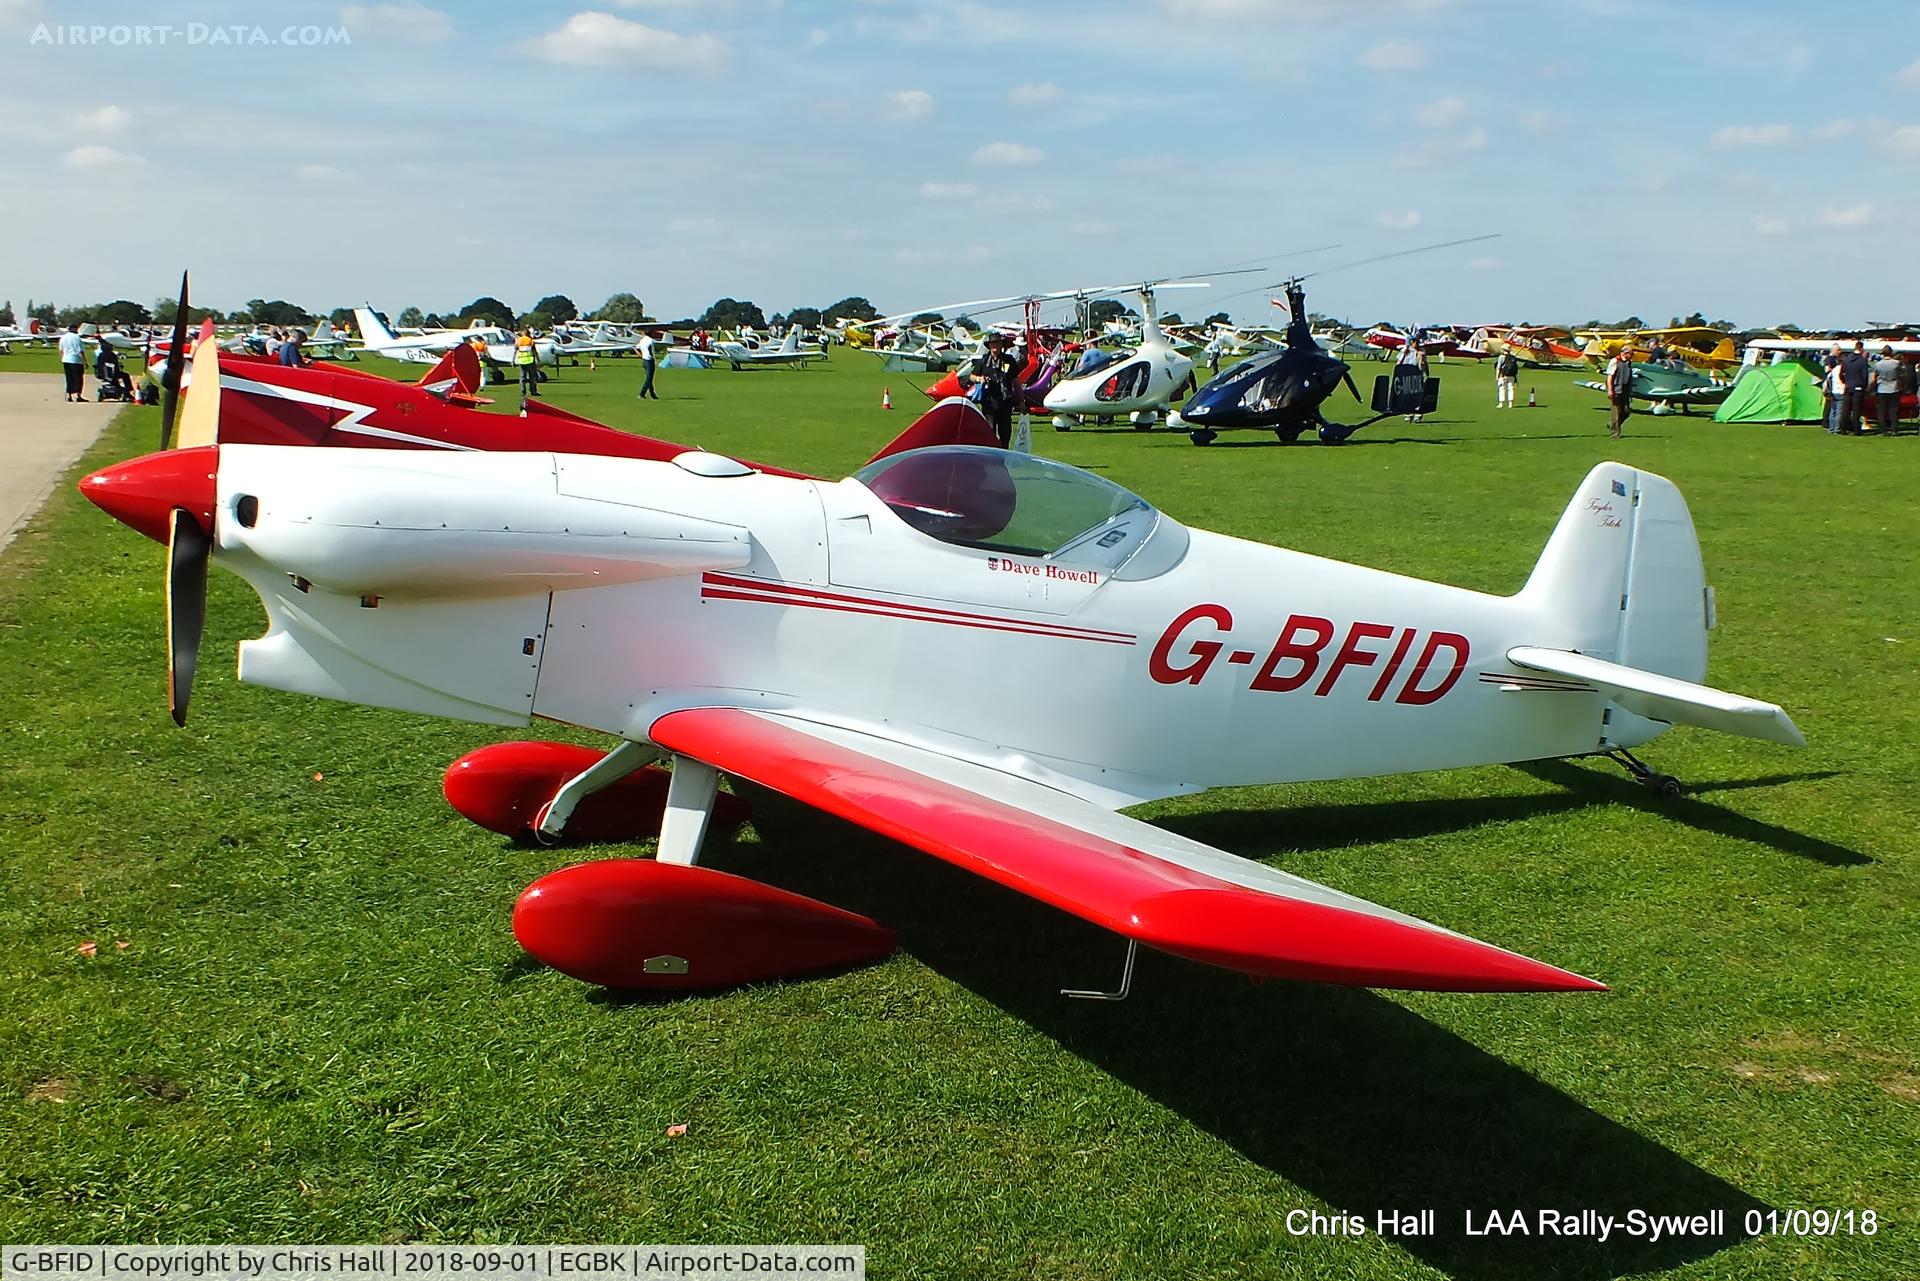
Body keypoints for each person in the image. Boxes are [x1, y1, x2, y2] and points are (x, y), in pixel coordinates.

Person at [964, 331, 1020, 448]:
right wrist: (980, 379)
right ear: (989, 346)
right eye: (993, 344)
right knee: (990, 433)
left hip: (1005, 403)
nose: (995, 346)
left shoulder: (1009, 360)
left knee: (1005, 435)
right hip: (989, 403)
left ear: (1001, 345)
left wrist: (1021, 400)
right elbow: (971, 376)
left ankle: (1003, 457)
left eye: (997, 343)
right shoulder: (984, 361)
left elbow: (1016, 381)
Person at [1837, 340, 1871, 435]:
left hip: (1848, 387)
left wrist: (1846, 382)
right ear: (1862, 349)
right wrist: (1864, 387)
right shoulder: (1862, 361)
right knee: (1856, 410)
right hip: (1858, 387)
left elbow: (1841, 374)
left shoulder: (1846, 359)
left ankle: (1842, 428)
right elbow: (1865, 376)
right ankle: (1856, 429)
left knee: (1845, 409)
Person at [1870, 343, 1903, 437]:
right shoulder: (1896, 363)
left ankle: (1882, 430)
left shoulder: (1878, 365)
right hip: (1894, 388)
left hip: (1882, 389)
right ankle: (1894, 429)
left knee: (1881, 411)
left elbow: (1874, 378)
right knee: (1894, 410)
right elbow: (1900, 375)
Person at [1604, 345, 1635, 439]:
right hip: (1616, 389)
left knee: (1626, 411)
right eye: (1631, 353)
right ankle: (1615, 433)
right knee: (1615, 412)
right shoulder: (1615, 361)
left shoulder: (1629, 363)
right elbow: (1610, 377)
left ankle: (1612, 424)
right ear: (1625, 353)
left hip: (1625, 390)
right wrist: (1610, 390)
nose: (1632, 355)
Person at [58, 323, 86, 402]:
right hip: (76, 360)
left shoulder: (63, 337)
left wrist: (62, 358)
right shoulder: (76, 337)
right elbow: (80, 351)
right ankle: (78, 395)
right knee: (78, 379)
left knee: (69, 378)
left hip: (66, 360)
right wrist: (85, 361)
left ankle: (69, 395)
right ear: (74, 329)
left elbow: (61, 350)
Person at [514, 327, 539, 399]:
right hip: (530, 360)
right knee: (532, 377)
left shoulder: (518, 340)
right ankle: (533, 391)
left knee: (522, 377)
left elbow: (516, 350)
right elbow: (534, 351)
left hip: (521, 360)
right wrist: (538, 360)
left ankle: (523, 391)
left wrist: (513, 360)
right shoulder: (531, 340)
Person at [636, 329, 659, 400]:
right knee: (649, 379)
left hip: (644, 360)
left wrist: (641, 355)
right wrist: (653, 357)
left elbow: (636, 348)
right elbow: (651, 350)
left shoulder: (642, 340)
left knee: (649, 378)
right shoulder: (650, 340)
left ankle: (653, 394)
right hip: (649, 360)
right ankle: (642, 393)